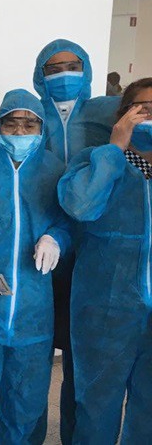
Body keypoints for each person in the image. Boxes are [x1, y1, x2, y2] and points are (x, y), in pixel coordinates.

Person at [0, 89, 71, 444]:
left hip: (34, 315)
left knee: (26, 403)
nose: (20, 131)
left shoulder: (55, 172)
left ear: (41, 128)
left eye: (29, 124)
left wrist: (55, 238)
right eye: (11, 123)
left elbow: (69, 221)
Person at [32, 39, 121, 444]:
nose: (63, 75)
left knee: (82, 362)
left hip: (99, 252)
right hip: (41, 251)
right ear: (40, 76)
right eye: (53, 69)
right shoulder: (30, 117)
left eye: (72, 66)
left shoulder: (106, 113)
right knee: (33, 357)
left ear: (86, 70)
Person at [58, 77, 152, 444]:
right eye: (143, 109)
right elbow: (81, 207)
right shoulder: (94, 161)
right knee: (97, 405)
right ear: (123, 114)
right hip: (105, 310)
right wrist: (115, 149)